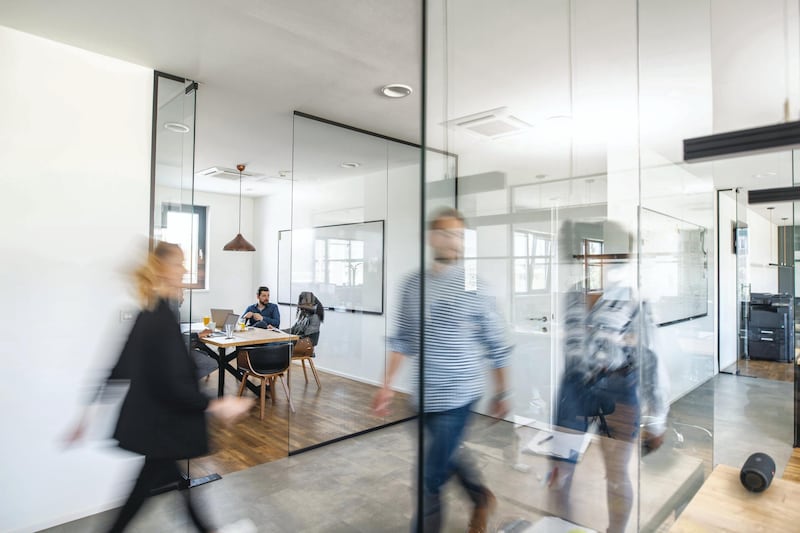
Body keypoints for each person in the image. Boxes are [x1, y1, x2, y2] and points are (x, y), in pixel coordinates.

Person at [67, 242, 255, 533]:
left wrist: (86, 414)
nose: (183, 269)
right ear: (163, 270)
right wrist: (216, 404)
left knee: (159, 489)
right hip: (162, 424)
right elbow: (169, 382)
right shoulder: (159, 316)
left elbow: (120, 365)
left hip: (156, 424)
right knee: (154, 490)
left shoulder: (151, 311)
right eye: (178, 263)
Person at [372, 208, 513, 533]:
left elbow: (496, 344)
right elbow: (402, 338)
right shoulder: (412, 285)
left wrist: (503, 391)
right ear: (432, 238)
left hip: (459, 395)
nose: (455, 242)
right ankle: (480, 496)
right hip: (422, 398)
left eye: (461, 236)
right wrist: (386, 385)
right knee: (447, 458)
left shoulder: (475, 285)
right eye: (448, 234)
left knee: (428, 477)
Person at [550, 220, 669, 533]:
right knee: (560, 471)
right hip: (574, 386)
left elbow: (650, 357)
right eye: (586, 249)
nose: (591, 256)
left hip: (617, 387)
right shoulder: (572, 296)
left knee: (616, 475)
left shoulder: (634, 299)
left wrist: (657, 417)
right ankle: (560, 527)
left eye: (600, 249)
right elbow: (568, 348)